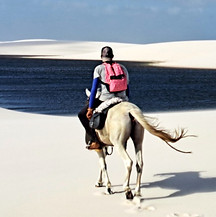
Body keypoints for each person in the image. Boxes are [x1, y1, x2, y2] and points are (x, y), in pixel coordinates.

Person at [78, 46, 130, 150]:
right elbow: (127, 87)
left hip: (105, 99)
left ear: (102, 57)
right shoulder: (122, 68)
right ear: (112, 56)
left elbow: (93, 90)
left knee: (82, 115)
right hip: (123, 99)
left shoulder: (99, 68)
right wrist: (127, 100)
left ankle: (95, 140)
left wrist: (90, 108)